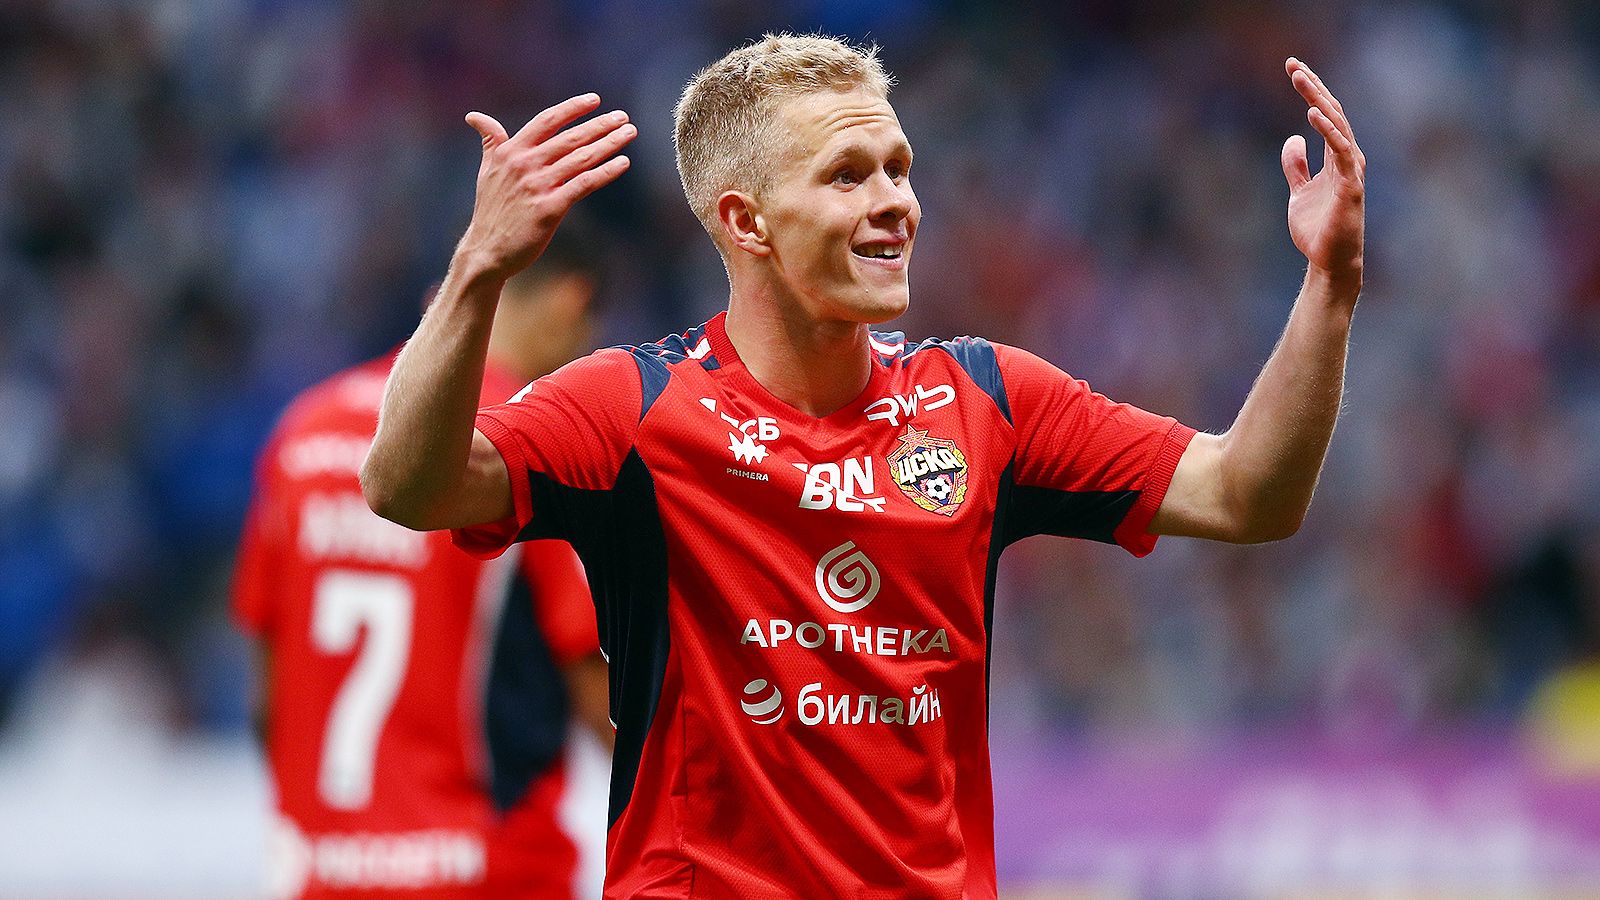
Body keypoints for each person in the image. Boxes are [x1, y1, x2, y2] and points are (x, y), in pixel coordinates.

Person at [360, 33, 1366, 899]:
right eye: (848, 176)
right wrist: (477, 270)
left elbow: (1246, 495)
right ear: (746, 221)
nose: (896, 204)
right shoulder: (635, 407)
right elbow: (407, 486)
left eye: (899, 168)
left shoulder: (987, 400)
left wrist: (1329, 285)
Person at [234, 233, 614, 899]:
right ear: (569, 302)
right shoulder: (527, 445)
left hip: (323, 874)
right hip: (486, 874)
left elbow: (268, 692)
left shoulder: (304, 432)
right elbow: (600, 692)